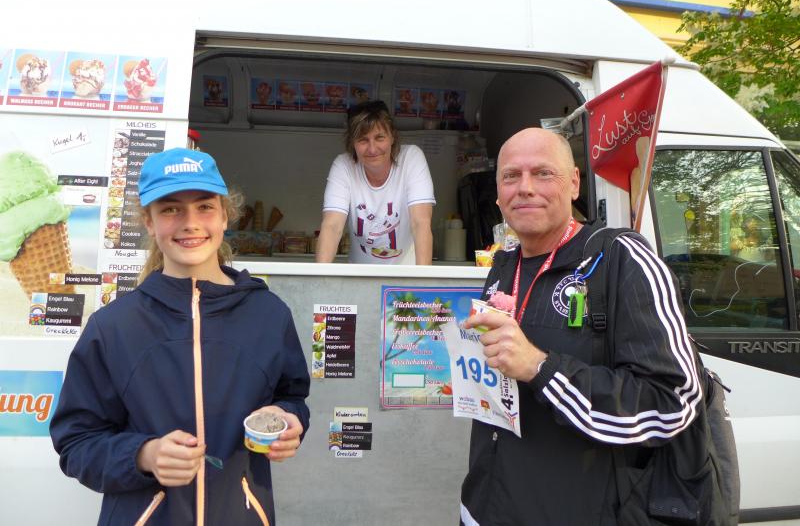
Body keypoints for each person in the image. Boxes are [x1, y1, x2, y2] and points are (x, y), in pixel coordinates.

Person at [50, 147, 310, 526]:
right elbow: (76, 443)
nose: (190, 223)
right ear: (149, 222)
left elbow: (293, 398)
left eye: (204, 207)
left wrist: (287, 419)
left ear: (224, 216)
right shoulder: (113, 327)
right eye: (171, 209)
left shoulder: (269, 315)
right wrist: (144, 455)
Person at [460, 128, 703, 525]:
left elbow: (673, 404)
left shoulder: (622, 260)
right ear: (499, 193)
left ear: (574, 183)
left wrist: (541, 368)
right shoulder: (503, 265)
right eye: (511, 176)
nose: (525, 188)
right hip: (484, 509)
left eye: (543, 173)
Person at [316, 99, 435, 264]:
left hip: (406, 275)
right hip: (360, 275)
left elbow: (420, 223)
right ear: (352, 143)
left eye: (379, 138)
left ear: (392, 137)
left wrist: (422, 278)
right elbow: (332, 226)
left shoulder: (411, 158)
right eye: (363, 140)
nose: (372, 149)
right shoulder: (343, 166)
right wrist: (321, 276)